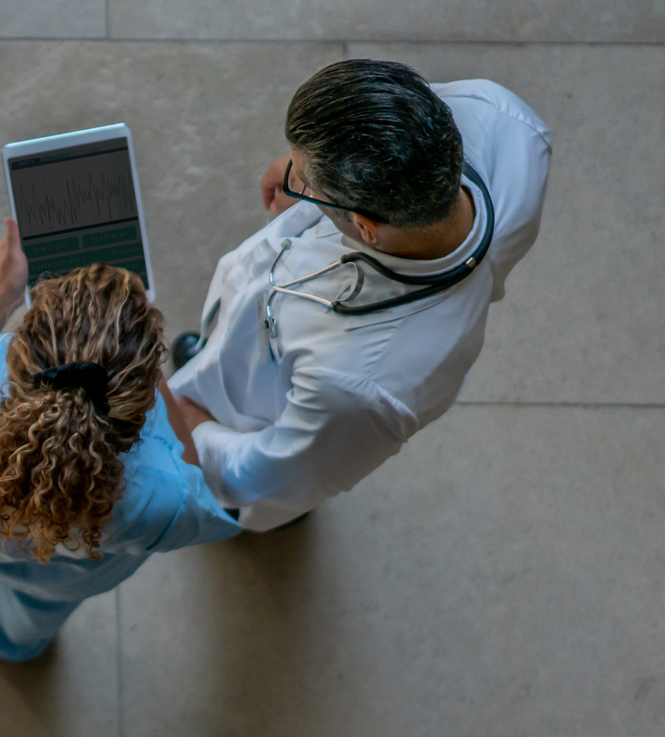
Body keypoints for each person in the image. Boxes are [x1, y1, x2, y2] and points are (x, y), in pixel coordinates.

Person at [169, 59, 551, 530]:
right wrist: (306, 164)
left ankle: (204, 389)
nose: (292, 176)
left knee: (234, 423)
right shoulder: (502, 120)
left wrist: (191, 422)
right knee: (221, 344)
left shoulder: (355, 388)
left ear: (366, 227)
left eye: (304, 180)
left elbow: (269, 474)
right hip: (269, 325)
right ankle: (208, 356)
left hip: (257, 413)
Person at [0, 220, 240, 661]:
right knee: (33, 614)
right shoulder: (164, 500)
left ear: (18, 353)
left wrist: (4, 295)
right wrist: (155, 381)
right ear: (140, 395)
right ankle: (9, 641)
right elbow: (195, 488)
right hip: (63, 581)